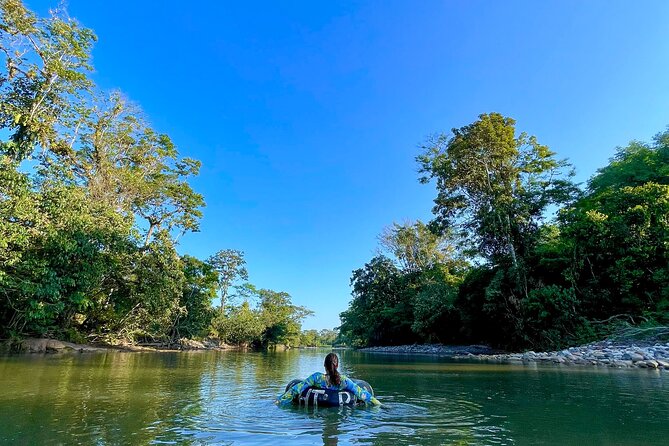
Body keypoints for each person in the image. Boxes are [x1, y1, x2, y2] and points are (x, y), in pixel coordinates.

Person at [275, 352, 381, 406]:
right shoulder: (343, 381)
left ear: (324, 365)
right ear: (337, 365)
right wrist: (379, 404)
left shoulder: (317, 378)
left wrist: (279, 400)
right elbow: (361, 393)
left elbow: (297, 388)